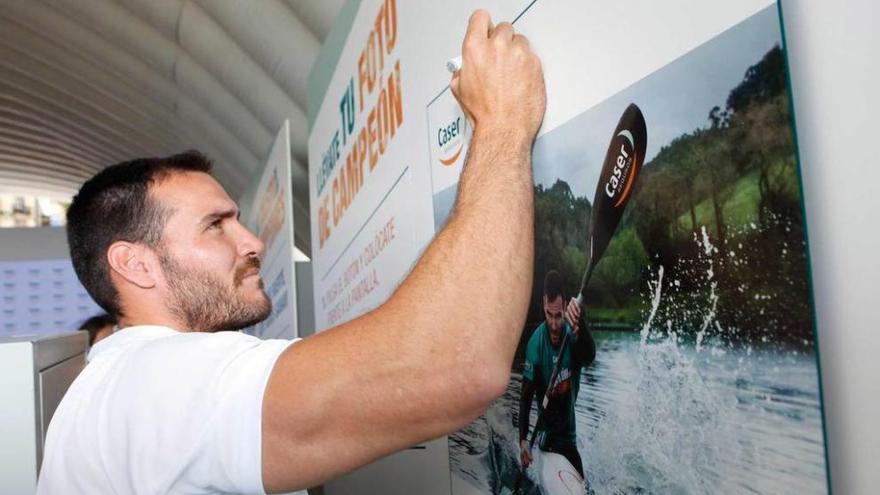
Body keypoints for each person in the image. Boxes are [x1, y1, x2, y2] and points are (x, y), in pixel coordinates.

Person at [37, 10, 546, 494]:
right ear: (135, 264)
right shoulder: (157, 382)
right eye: (216, 226)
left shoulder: (123, 386)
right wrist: (502, 121)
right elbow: (453, 363)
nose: (253, 241)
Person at [519, 270, 596, 480]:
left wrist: (583, 326)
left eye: (559, 316)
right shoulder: (535, 344)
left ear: (564, 308)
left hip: (569, 440)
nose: (553, 325)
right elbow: (525, 398)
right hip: (546, 440)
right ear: (544, 304)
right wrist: (523, 440)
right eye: (549, 315)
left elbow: (589, 358)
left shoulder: (574, 335)